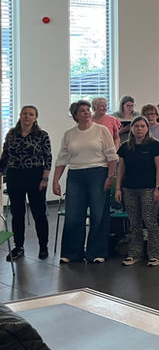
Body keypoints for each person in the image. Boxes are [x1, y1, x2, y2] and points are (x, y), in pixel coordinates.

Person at [52, 100, 118, 264]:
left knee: (98, 214)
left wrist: (110, 177)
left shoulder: (101, 130)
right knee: (73, 214)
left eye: (88, 110)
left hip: (98, 173)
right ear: (75, 115)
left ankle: (97, 252)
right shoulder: (69, 134)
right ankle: (72, 253)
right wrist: (55, 180)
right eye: (82, 110)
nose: (87, 112)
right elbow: (62, 158)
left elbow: (112, 156)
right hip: (76, 175)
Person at [0, 106, 51, 260]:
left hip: (35, 175)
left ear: (35, 117)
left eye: (31, 114)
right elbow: (5, 157)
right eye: (24, 114)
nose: (27, 116)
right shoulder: (11, 134)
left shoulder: (42, 135)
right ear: (20, 115)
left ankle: (43, 246)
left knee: (38, 213)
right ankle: (19, 247)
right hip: (15, 175)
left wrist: (45, 179)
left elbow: (47, 158)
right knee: (17, 213)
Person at [115, 116, 159, 267]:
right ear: (132, 128)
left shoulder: (154, 145)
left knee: (150, 220)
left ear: (147, 128)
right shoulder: (125, 147)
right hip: (129, 189)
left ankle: (155, 255)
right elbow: (121, 169)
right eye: (136, 126)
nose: (139, 129)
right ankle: (135, 253)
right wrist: (118, 188)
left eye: (143, 126)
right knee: (134, 223)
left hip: (149, 188)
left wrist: (158, 187)